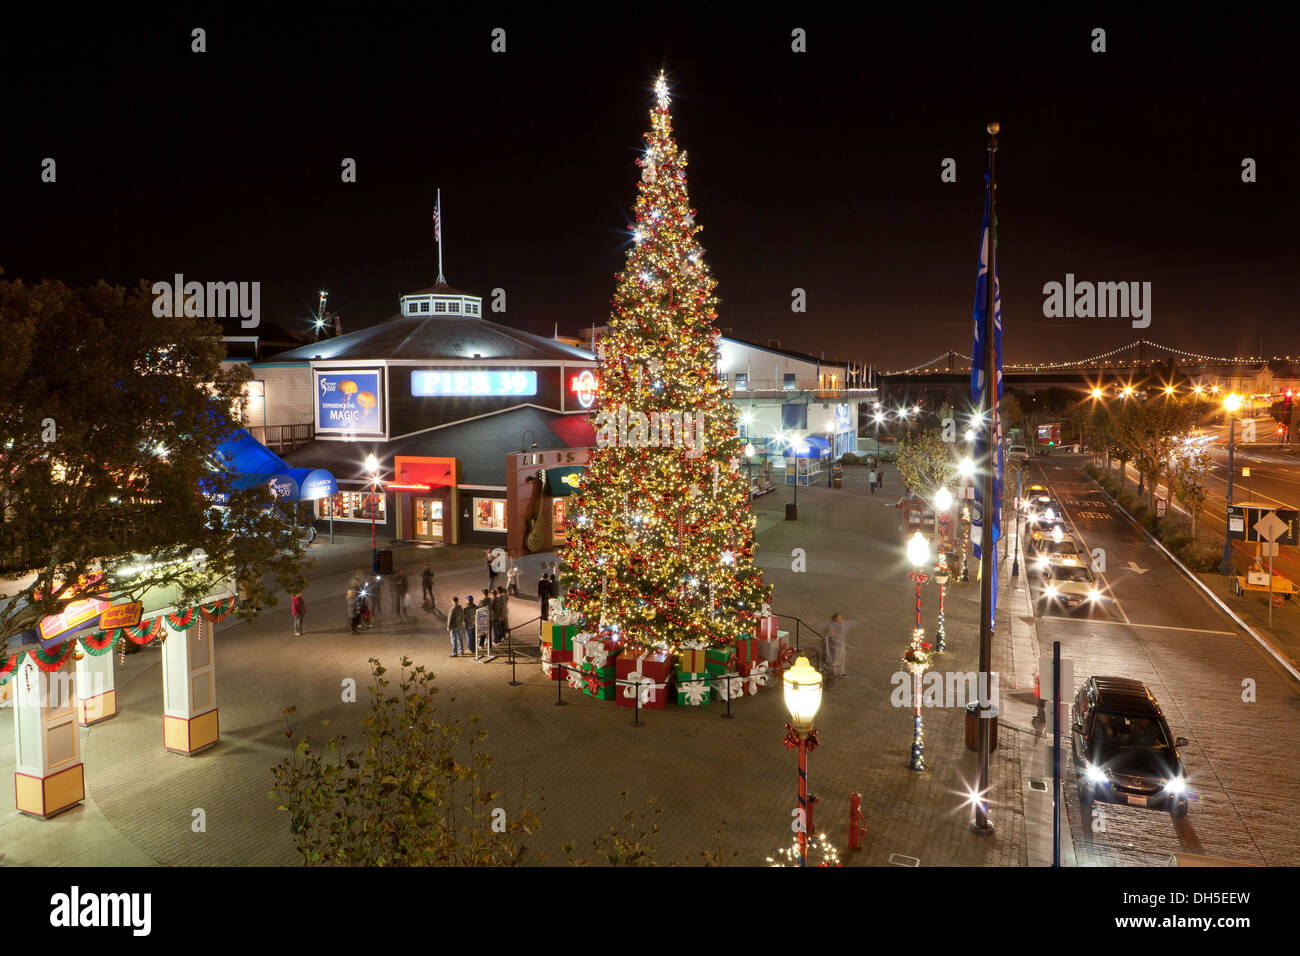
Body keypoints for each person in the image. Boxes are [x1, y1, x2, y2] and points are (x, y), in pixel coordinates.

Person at [824, 613, 847, 677]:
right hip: (833, 646)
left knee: (841, 659)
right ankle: (832, 671)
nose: (840, 619)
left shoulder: (841, 625)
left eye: (841, 618)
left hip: (840, 645)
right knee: (834, 659)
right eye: (839, 618)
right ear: (835, 618)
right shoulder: (830, 625)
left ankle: (841, 672)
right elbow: (829, 635)